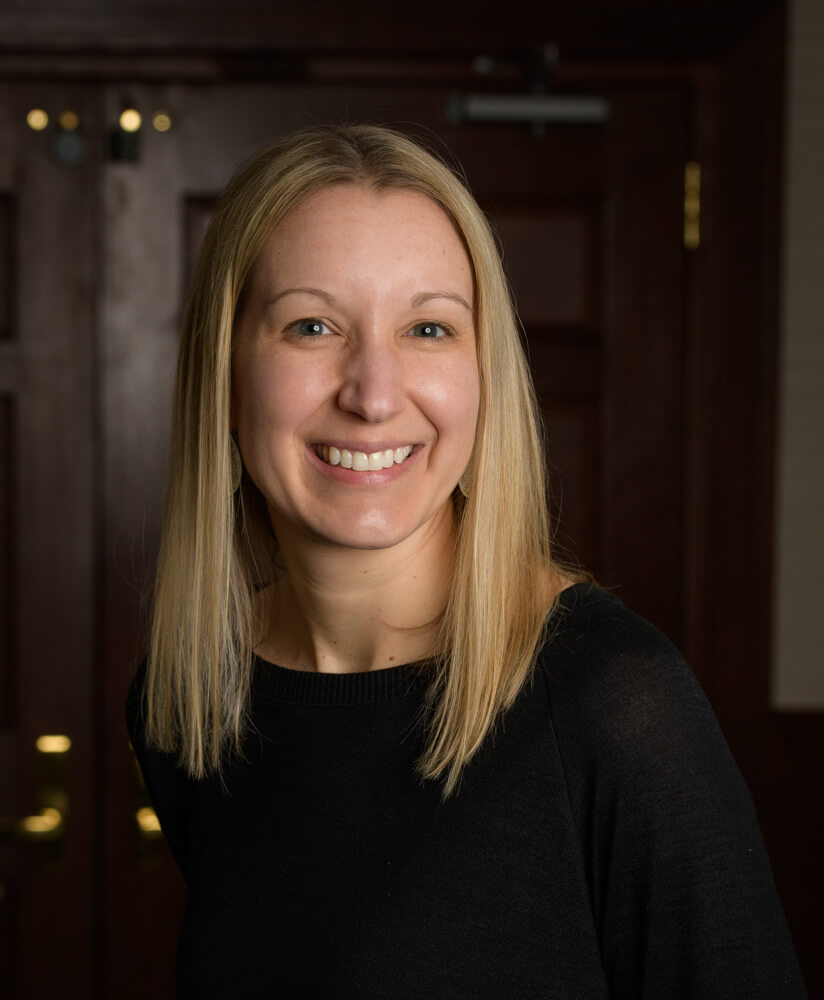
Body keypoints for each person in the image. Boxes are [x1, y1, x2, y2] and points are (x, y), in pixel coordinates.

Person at [128, 124, 806, 998]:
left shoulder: (612, 704)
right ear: (223, 375)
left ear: (485, 374)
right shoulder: (187, 701)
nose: (373, 394)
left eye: (428, 327)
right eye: (311, 324)